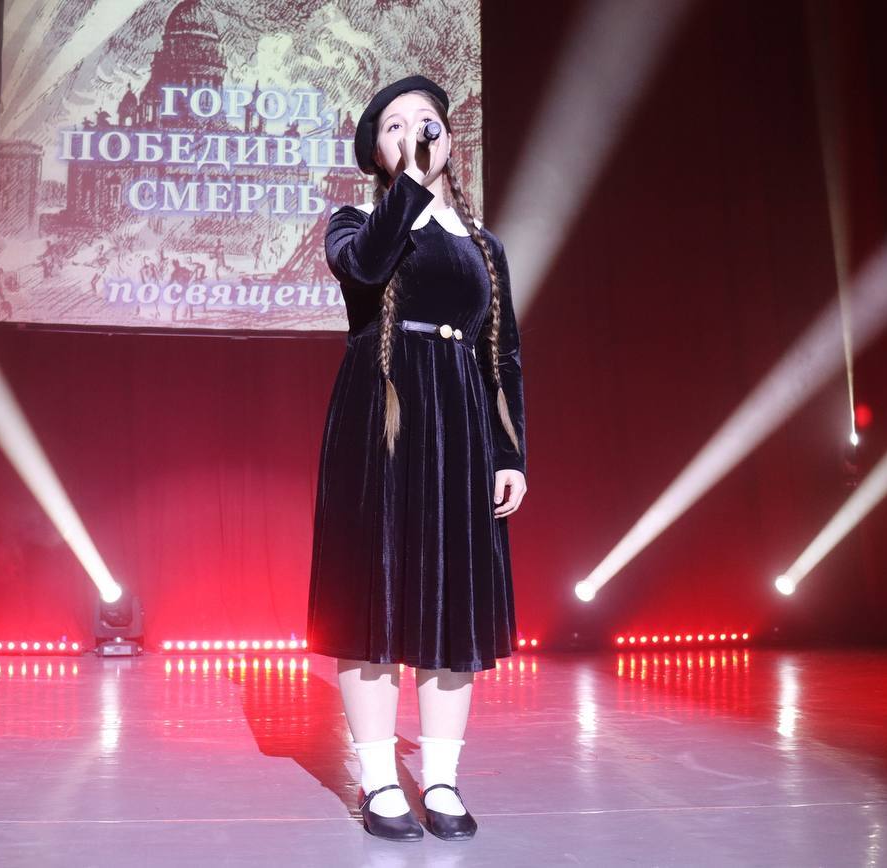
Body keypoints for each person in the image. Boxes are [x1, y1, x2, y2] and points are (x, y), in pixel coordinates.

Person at [306, 74, 529, 842]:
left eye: (426, 121)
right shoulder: (354, 222)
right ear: (377, 151)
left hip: (460, 426)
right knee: (375, 599)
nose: (414, 133)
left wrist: (509, 453)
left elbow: (504, 355)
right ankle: (377, 779)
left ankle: (440, 777)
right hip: (383, 417)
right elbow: (367, 269)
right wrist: (408, 185)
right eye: (395, 125)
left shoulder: (485, 247)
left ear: (450, 139)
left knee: (451, 604)